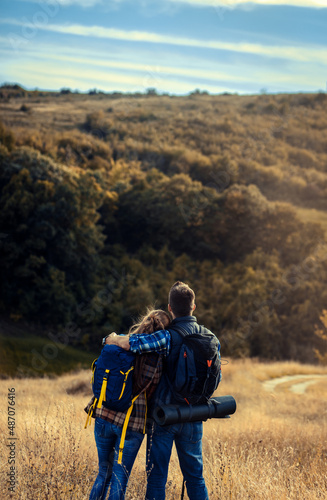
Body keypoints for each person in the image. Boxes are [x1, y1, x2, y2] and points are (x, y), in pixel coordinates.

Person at [105, 281, 221, 500]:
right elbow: (216, 376)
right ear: (193, 306)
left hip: (163, 417)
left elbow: (134, 343)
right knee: (195, 477)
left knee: (157, 476)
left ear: (169, 308)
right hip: (194, 415)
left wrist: (111, 339)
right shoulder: (210, 338)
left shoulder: (168, 336)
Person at [85, 309, 171, 500]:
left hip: (102, 414)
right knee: (119, 478)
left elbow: (107, 341)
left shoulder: (123, 341)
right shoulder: (157, 355)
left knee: (103, 473)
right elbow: (153, 390)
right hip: (131, 423)